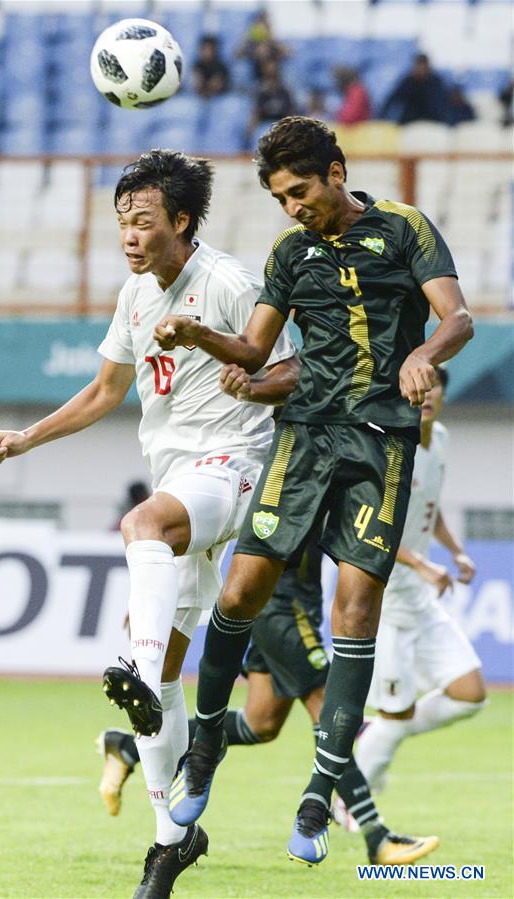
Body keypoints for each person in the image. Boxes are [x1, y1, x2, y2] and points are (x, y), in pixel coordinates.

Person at [153, 116, 473, 867]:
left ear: (334, 171)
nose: (293, 207)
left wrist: (423, 354)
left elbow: (455, 317)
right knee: (238, 593)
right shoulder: (290, 251)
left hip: (378, 443)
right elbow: (255, 350)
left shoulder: (403, 228)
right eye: (278, 198)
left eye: (299, 191)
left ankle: (318, 790)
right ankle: (200, 750)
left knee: (353, 608)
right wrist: (199, 337)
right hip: (303, 437)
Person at [0, 149, 296, 899]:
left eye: (143, 221)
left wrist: (249, 379)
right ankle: (172, 837)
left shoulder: (228, 283)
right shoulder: (134, 295)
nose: (129, 234)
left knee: (142, 524)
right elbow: (103, 391)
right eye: (122, 220)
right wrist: (29, 435)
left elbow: (294, 370)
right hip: (181, 475)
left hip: (237, 464)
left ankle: (134, 663)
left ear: (182, 221)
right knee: (163, 678)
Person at [99, 530, 439, 866]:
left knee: (261, 722)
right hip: (281, 609)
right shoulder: (281, 478)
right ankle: (377, 837)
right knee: (327, 710)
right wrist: (152, 597)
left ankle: (126, 747)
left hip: (292, 604)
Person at [351, 366, 486, 797]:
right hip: (387, 601)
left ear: (443, 396)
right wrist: (422, 566)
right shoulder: (392, 446)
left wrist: (455, 551)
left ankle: (379, 735)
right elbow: (370, 528)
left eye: (434, 392)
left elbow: (431, 506)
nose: (426, 398)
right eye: (420, 390)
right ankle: (348, 804)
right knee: (396, 714)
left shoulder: (440, 439)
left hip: (420, 600)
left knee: (470, 694)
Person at [380, 53, 450, 125]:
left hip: (432, 123)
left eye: (422, 66)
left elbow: (444, 104)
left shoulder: (436, 82)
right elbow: (392, 99)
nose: (420, 69)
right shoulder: (408, 81)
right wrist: (381, 117)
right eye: (418, 66)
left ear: (427, 67)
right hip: (410, 122)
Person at [247, 58, 297, 145]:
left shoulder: (285, 89)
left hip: (281, 125)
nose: (271, 70)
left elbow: (291, 111)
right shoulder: (259, 90)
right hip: (264, 125)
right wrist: (250, 131)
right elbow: (256, 112)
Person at [236, 9, 290, 82]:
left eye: (264, 25)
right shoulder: (250, 46)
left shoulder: (273, 45)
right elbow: (237, 55)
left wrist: (271, 40)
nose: (262, 28)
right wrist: (246, 38)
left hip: (274, 83)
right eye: (259, 24)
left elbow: (288, 53)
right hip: (255, 81)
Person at [192, 35, 230, 99]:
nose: (207, 52)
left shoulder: (220, 66)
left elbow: (216, 87)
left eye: (210, 49)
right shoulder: (197, 65)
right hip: (199, 99)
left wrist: (206, 87)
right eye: (205, 49)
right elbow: (196, 86)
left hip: (219, 99)